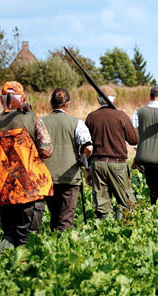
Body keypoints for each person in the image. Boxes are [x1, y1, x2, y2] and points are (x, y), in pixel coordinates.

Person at [0, 81, 53, 253]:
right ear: (23, 98)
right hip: (30, 189)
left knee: (10, 235)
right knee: (29, 237)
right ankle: (25, 274)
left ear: (0, 100)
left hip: (3, 191)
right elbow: (47, 150)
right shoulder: (33, 118)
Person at [42, 88, 93, 231]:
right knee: (65, 219)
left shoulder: (40, 122)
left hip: (47, 177)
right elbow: (88, 149)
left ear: (51, 103)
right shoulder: (77, 123)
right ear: (68, 104)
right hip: (69, 177)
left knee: (54, 216)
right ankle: (64, 249)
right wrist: (83, 161)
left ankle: (52, 246)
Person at [85, 86, 139, 219]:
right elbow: (134, 140)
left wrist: (87, 169)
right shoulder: (121, 115)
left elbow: (85, 144)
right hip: (117, 164)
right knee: (127, 202)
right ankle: (122, 227)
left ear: (99, 101)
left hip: (97, 164)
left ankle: (104, 230)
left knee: (101, 204)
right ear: (114, 101)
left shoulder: (91, 117)